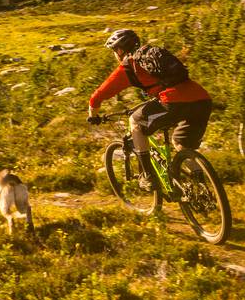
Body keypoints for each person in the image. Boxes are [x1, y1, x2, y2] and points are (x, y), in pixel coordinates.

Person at [87, 29, 212, 191]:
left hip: (173, 101)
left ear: (120, 50)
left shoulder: (129, 65)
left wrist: (93, 115)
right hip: (202, 100)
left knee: (135, 122)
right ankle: (201, 188)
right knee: (182, 143)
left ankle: (147, 175)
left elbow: (99, 95)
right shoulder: (155, 54)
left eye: (114, 52)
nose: (115, 55)